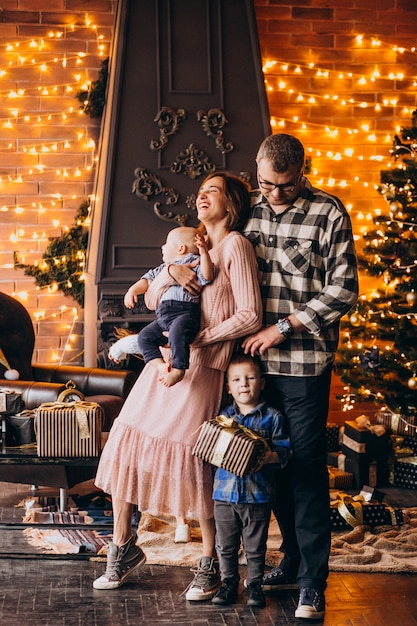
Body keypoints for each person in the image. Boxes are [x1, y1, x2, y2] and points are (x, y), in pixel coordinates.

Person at [93, 171, 263, 600]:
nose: (202, 197)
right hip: (163, 366)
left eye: (214, 192)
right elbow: (152, 300)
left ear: (233, 204)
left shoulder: (235, 246)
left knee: (191, 461)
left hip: (201, 368)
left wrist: (193, 339)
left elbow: (250, 316)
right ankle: (122, 546)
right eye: (201, 191)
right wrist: (169, 269)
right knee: (127, 441)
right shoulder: (187, 246)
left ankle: (211, 564)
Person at [241, 133, 359, 620]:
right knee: (268, 465)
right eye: (267, 184)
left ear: (302, 172)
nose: (274, 195)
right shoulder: (245, 208)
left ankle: (313, 582)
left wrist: (284, 326)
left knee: (306, 468)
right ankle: (289, 558)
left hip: (304, 365)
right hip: (249, 367)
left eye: (285, 187)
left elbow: (344, 290)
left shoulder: (329, 213)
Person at [210, 353, 291, 609]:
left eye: (250, 378)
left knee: (256, 546)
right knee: (225, 544)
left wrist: (269, 456)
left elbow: (285, 452)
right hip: (224, 494)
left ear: (262, 382)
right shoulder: (223, 418)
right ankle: (229, 584)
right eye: (236, 379)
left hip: (257, 495)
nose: (244, 383)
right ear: (229, 388)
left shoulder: (273, 417)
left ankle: (254, 585)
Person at [109, 226, 213, 388]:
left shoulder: (195, 262)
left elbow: (207, 275)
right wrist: (132, 290)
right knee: (145, 336)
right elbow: (146, 280)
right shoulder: (163, 268)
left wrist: (204, 252)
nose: (162, 247)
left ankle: (179, 369)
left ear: (181, 248)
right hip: (164, 317)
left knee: (178, 333)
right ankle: (159, 365)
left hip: (184, 313)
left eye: (166, 243)